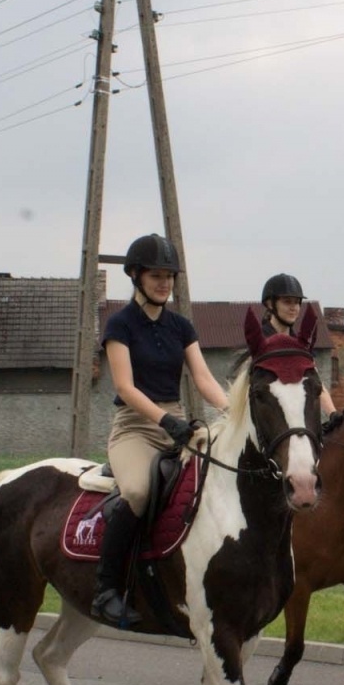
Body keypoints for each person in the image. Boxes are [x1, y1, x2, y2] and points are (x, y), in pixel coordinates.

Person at [94, 233, 231, 626]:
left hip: (178, 423)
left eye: (169, 276)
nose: (164, 283)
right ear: (136, 276)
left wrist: (233, 412)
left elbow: (203, 378)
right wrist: (165, 419)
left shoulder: (181, 326)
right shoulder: (119, 324)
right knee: (137, 491)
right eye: (156, 275)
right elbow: (124, 386)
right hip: (136, 426)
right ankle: (105, 589)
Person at [261, 273, 337, 420]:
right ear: (270, 304)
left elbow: (317, 384)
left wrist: (333, 413)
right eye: (287, 302)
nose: (294, 308)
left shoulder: (300, 346)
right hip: (267, 424)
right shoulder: (260, 344)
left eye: (296, 302)